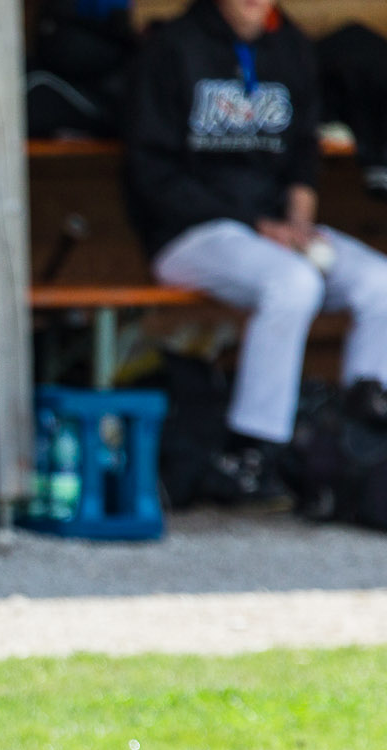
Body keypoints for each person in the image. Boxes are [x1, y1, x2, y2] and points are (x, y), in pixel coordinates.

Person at [126, 0, 387, 485]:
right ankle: (254, 450)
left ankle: (362, 443)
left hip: (276, 230)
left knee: (379, 282)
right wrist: (257, 224)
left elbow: (304, 150)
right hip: (190, 232)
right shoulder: (174, 47)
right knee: (293, 283)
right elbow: (152, 174)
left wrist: (299, 220)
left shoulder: (290, 46)